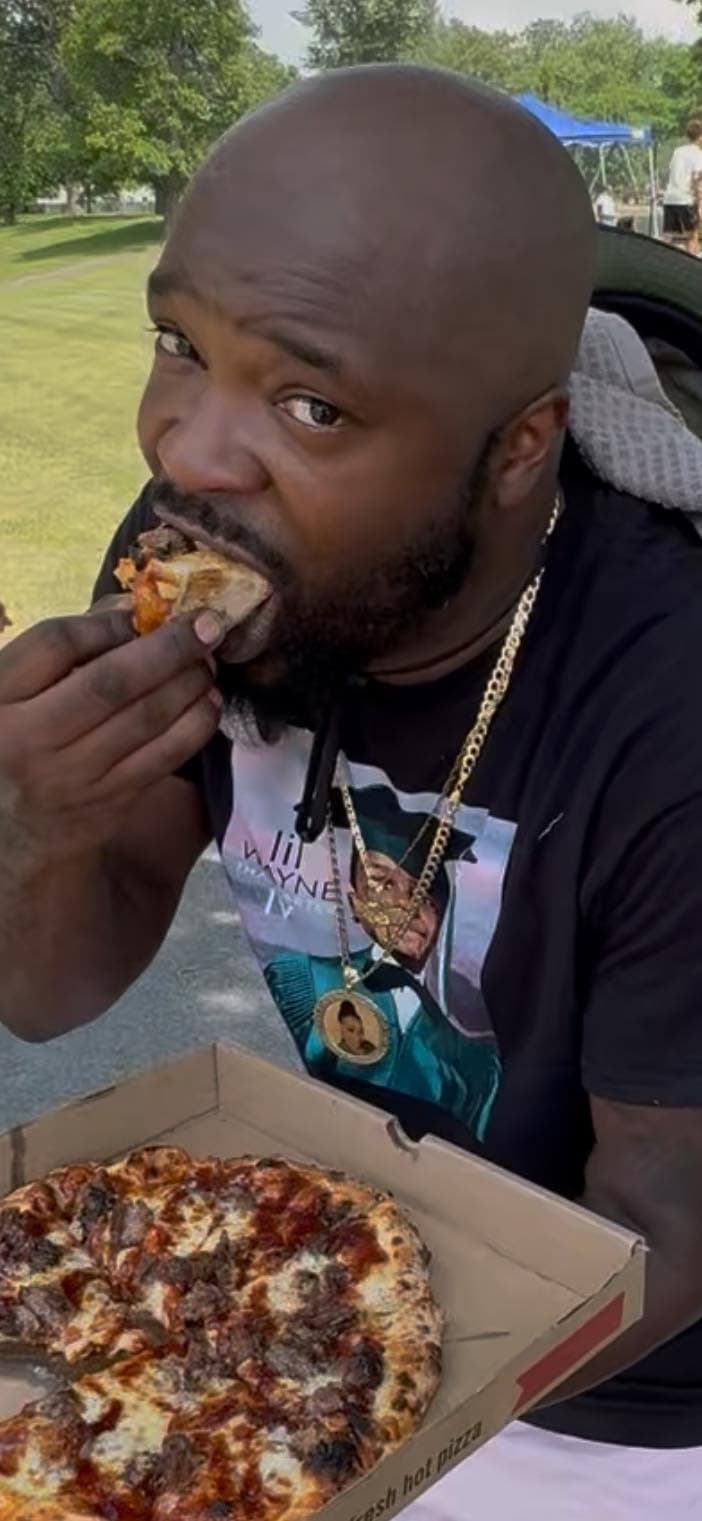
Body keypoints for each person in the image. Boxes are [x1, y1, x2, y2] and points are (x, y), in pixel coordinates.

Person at [2, 65, 702, 1518]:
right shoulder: (200, 536)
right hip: (310, 1277)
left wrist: (230, 1386)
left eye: (311, 403)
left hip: (620, 1404)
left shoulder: (667, 713)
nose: (186, 453)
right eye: (177, 344)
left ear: (517, 448)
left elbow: (660, 1231)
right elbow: (53, 986)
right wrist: (37, 821)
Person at [663, 119, 702, 254]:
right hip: (686, 199)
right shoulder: (698, 154)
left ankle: (663, 261)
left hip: (670, 198)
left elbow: (672, 170)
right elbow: (696, 180)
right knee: (692, 235)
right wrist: (699, 202)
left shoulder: (677, 151)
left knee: (670, 236)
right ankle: (691, 264)